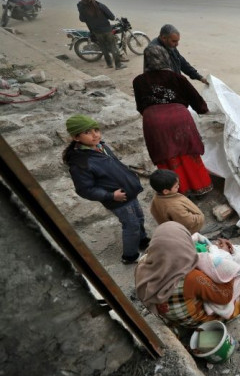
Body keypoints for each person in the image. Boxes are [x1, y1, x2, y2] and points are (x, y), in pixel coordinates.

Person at [134, 222, 240, 328]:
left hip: (172, 311)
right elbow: (225, 296)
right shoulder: (191, 278)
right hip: (196, 319)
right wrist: (224, 256)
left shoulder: (145, 264)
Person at [62, 114, 149, 264]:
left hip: (129, 192)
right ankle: (130, 256)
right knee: (131, 225)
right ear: (76, 137)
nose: (95, 135)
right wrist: (110, 196)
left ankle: (142, 240)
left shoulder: (101, 146)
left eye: (96, 129)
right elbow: (85, 189)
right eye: (88, 132)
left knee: (139, 218)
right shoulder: (81, 163)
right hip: (118, 199)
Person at [133, 44, 213, 196]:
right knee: (188, 153)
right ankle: (200, 188)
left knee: (166, 156)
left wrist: (154, 114)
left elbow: (140, 106)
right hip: (179, 119)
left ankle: (177, 191)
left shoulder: (138, 81)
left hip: (154, 122)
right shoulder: (176, 77)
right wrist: (204, 110)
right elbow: (195, 99)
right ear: (165, 58)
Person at [76, 0, 127, 70]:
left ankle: (109, 64)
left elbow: (82, 19)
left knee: (103, 47)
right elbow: (112, 17)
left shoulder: (82, 8)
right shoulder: (100, 5)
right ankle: (118, 65)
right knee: (113, 47)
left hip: (96, 31)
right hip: (106, 30)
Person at [149, 169, 205, 234]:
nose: (178, 186)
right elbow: (188, 222)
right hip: (188, 232)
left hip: (171, 229)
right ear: (166, 191)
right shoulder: (174, 207)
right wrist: (200, 217)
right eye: (176, 186)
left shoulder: (157, 197)